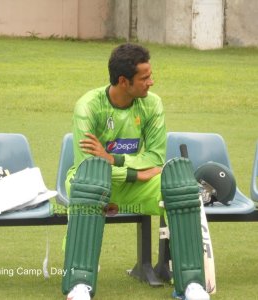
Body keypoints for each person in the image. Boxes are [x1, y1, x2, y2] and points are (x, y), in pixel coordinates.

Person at [62, 43, 210, 300]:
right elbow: (89, 165)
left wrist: (114, 159)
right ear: (123, 81)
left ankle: (190, 283)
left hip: (132, 184)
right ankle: (79, 283)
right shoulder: (88, 106)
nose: (151, 82)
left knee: (178, 186)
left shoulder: (152, 104)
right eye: (144, 78)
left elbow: (154, 158)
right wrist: (134, 172)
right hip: (95, 183)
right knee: (88, 184)